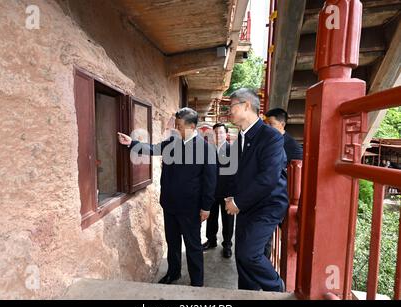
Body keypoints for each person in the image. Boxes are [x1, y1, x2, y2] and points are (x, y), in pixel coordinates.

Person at [117, 107, 217, 287]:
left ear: (192, 126)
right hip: (170, 204)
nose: (176, 129)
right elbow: (153, 148)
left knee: (193, 245)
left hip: (191, 207)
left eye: (179, 125)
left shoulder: (206, 149)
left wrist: (206, 207)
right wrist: (132, 143)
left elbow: (210, 181)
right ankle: (173, 272)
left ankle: (197, 281)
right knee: (173, 242)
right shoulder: (172, 142)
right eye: (176, 125)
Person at [224, 88, 288, 292]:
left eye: (231, 106)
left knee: (249, 253)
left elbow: (268, 179)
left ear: (246, 106)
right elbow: (235, 174)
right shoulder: (240, 138)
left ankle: (277, 289)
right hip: (248, 203)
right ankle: (247, 294)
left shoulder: (271, 136)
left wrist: (237, 202)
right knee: (241, 256)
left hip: (268, 204)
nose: (229, 111)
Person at [264, 108, 303, 259]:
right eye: (266, 124)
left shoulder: (293, 147)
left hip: (281, 197)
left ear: (282, 125)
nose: (267, 127)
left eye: (271, 124)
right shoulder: (268, 141)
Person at [202, 123, 235, 258]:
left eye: (221, 132)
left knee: (228, 220)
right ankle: (211, 240)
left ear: (226, 135)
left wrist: (233, 194)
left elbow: (235, 174)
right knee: (211, 217)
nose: (218, 135)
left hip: (227, 192)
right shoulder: (208, 150)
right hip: (211, 191)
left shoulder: (232, 151)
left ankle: (227, 245)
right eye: (215, 133)